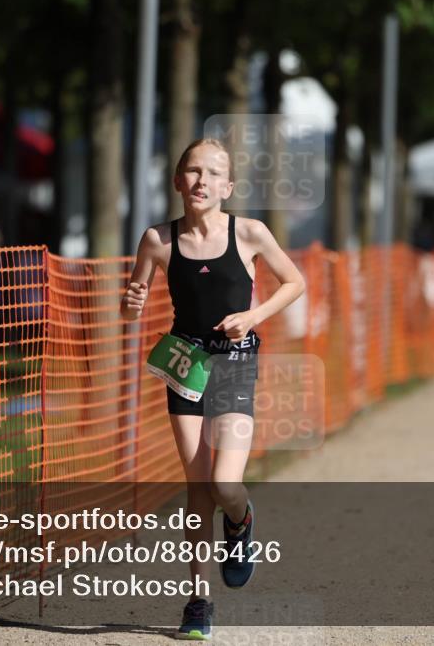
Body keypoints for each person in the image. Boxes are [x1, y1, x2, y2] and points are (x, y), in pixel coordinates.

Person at [120, 138, 306, 640]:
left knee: (226, 483)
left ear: (228, 186)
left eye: (212, 173)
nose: (201, 181)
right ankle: (199, 602)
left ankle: (241, 522)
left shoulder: (249, 233)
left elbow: (295, 282)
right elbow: (130, 303)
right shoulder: (158, 240)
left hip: (235, 362)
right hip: (186, 363)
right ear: (178, 180)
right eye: (193, 171)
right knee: (198, 486)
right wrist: (131, 302)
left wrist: (252, 315)